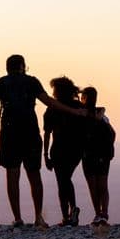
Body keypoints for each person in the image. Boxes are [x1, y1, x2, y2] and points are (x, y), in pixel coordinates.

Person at [0, 55, 84, 228]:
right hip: (30, 131)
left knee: (12, 175)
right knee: (34, 174)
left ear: (7, 68)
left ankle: (18, 218)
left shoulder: (0, 83)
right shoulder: (32, 82)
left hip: (9, 133)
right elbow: (49, 102)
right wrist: (74, 112)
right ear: (22, 66)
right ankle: (38, 217)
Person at [43, 76, 84, 226]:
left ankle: (69, 213)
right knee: (65, 179)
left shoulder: (52, 108)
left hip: (59, 149)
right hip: (76, 150)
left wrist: (45, 155)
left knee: (62, 180)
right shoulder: (78, 106)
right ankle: (70, 213)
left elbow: (47, 133)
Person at [80, 86, 115, 225]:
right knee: (103, 185)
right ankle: (104, 213)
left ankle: (98, 213)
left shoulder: (82, 116)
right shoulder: (102, 116)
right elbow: (113, 133)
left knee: (93, 186)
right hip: (103, 155)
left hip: (89, 155)